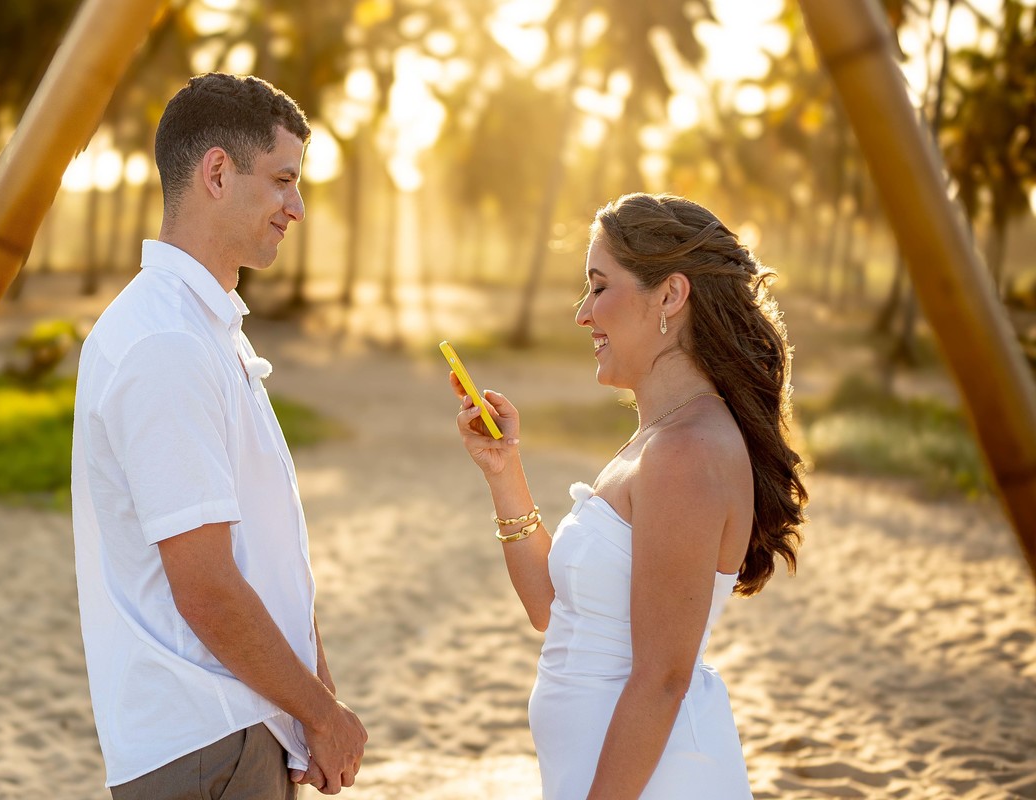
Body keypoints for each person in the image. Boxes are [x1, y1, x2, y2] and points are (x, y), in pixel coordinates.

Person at [449, 193, 807, 799]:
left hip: (659, 781)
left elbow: (664, 677)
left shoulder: (686, 452)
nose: (583, 314)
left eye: (598, 286)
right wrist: (503, 471)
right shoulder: (657, 439)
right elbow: (551, 609)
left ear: (669, 295)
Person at [71, 73, 366, 799]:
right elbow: (204, 585)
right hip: (203, 737)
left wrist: (311, 702)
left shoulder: (205, 328)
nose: (296, 207)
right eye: (282, 180)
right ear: (215, 173)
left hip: (242, 728)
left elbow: (263, 547)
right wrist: (322, 715)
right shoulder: (164, 342)